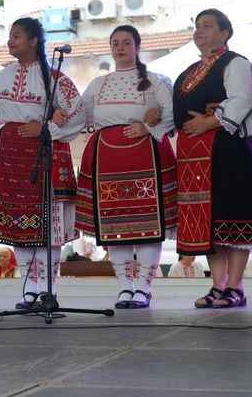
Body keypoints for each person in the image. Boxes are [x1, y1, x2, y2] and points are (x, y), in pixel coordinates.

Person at [75, 25, 176, 309]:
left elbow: (172, 113)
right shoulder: (98, 84)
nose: (120, 48)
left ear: (137, 46)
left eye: (126, 43)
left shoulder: (156, 81)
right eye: (115, 43)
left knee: (147, 223)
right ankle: (124, 286)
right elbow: (78, 117)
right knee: (114, 223)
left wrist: (147, 127)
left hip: (146, 157)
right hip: (107, 159)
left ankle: (143, 287)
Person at [0, 18, 84, 309]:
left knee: (48, 224)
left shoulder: (55, 78)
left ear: (33, 41)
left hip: (45, 152)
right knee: (18, 221)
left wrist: (46, 130)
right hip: (12, 152)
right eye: (9, 36)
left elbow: (78, 114)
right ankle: (29, 288)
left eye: (16, 36)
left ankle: (48, 290)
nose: (10, 41)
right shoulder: (3, 76)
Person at [172, 9, 252, 309]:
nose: (199, 31)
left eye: (208, 26)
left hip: (228, 149)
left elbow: (242, 100)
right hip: (194, 156)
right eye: (196, 26)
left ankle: (235, 286)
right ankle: (218, 284)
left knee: (232, 216)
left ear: (225, 32)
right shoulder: (188, 72)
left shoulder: (235, 63)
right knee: (209, 222)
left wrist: (210, 121)